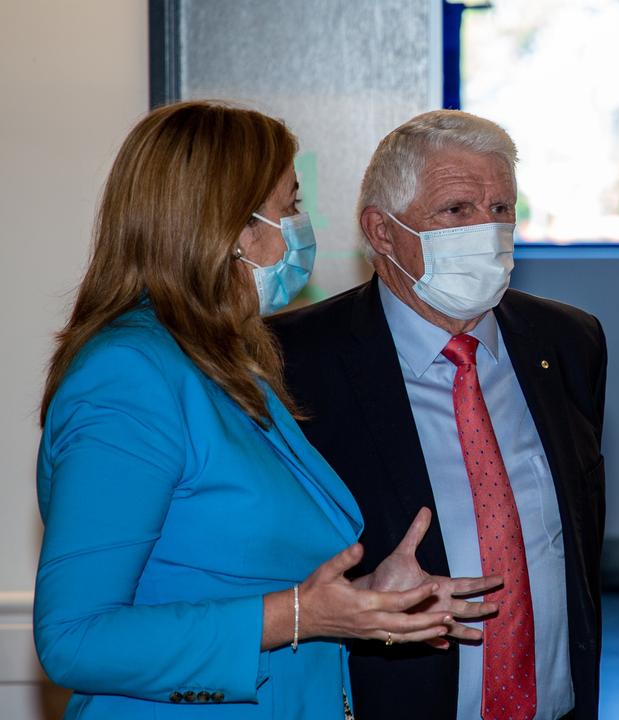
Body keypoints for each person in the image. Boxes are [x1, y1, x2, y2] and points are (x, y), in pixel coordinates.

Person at [34, 101, 498, 719]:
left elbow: (236, 575)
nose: (301, 228)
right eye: (289, 207)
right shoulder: (130, 373)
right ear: (229, 227)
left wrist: (364, 604)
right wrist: (299, 615)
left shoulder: (223, 361)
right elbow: (76, 640)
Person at [269, 109, 608, 720]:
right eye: (457, 211)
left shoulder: (568, 341)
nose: (488, 229)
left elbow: (576, 545)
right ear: (382, 230)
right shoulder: (292, 362)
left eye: (501, 209)